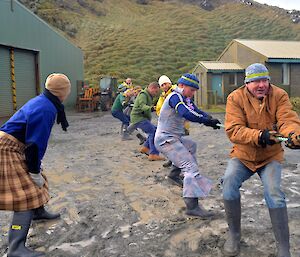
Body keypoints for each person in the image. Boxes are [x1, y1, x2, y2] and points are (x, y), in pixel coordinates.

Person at [223, 63, 300, 257]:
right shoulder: (235, 98)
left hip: (270, 156)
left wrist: (293, 134)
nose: (261, 85)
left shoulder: (279, 95)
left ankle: (284, 248)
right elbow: (234, 130)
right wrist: (259, 136)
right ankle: (234, 234)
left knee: (274, 193)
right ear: (247, 83)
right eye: (256, 81)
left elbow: (287, 119)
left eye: (264, 80)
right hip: (243, 155)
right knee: (229, 183)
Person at [0, 73, 71, 256]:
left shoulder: (45, 101)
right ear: (63, 92)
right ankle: (16, 248)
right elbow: (35, 144)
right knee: (24, 195)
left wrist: (36, 170)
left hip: (13, 143)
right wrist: (33, 171)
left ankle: (38, 212)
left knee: (39, 178)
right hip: (6, 148)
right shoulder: (46, 108)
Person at [154, 73, 221, 217]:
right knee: (190, 166)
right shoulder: (174, 97)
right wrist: (205, 121)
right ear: (182, 86)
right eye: (192, 89)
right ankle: (192, 206)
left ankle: (173, 175)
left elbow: (195, 111)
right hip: (165, 139)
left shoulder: (185, 98)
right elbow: (186, 113)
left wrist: (209, 118)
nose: (193, 93)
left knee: (191, 146)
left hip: (174, 137)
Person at [130, 82, 165, 161]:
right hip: (138, 118)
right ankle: (153, 154)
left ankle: (146, 148)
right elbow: (142, 106)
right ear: (152, 88)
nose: (156, 94)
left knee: (155, 130)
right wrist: (152, 108)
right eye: (155, 91)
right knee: (154, 132)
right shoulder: (143, 95)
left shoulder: (148, 95)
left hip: (141, 118)